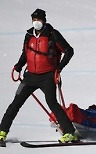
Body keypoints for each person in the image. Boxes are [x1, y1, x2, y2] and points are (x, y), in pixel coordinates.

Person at [0, 8, 78, 145]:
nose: (36, 22)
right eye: (34, 20)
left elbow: (69, 51)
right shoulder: (28, 35)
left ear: (44, 20)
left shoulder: (52, 34)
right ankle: (2, 132)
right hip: (30, 76)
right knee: (15, 103)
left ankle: (70, 133)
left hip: (47, 76)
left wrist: (59, 68)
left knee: (52, 103)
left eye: (39, 20)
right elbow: (25, 53)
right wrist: (19, 66)